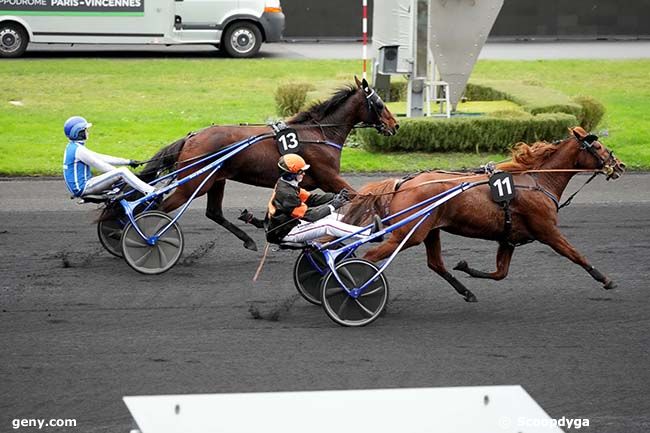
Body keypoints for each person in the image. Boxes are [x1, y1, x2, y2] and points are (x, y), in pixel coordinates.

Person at [264, 154, 382, 245]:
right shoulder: (287, 194)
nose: (304, 174)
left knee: (334, 217)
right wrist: (333, 205)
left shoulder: (287, 184)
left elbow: (312, 199)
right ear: (290, 174)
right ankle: (370, 235)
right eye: (301, 171)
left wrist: (335, 196)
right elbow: (311, 216)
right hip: (285, 233)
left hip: (291, 224)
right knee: (327, 224)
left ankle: (365, 228)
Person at [62, 116, 155, 198]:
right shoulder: (79, 150)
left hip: (86, 184)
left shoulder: (74, 147)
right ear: (79, 132)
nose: (88, 132)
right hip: (84, 187)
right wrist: (118, 173)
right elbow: (98, 164)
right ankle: (150, 191)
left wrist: (128, 162)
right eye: (85, 130)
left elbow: (102, 158)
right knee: (122, 172)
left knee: (121, 173)